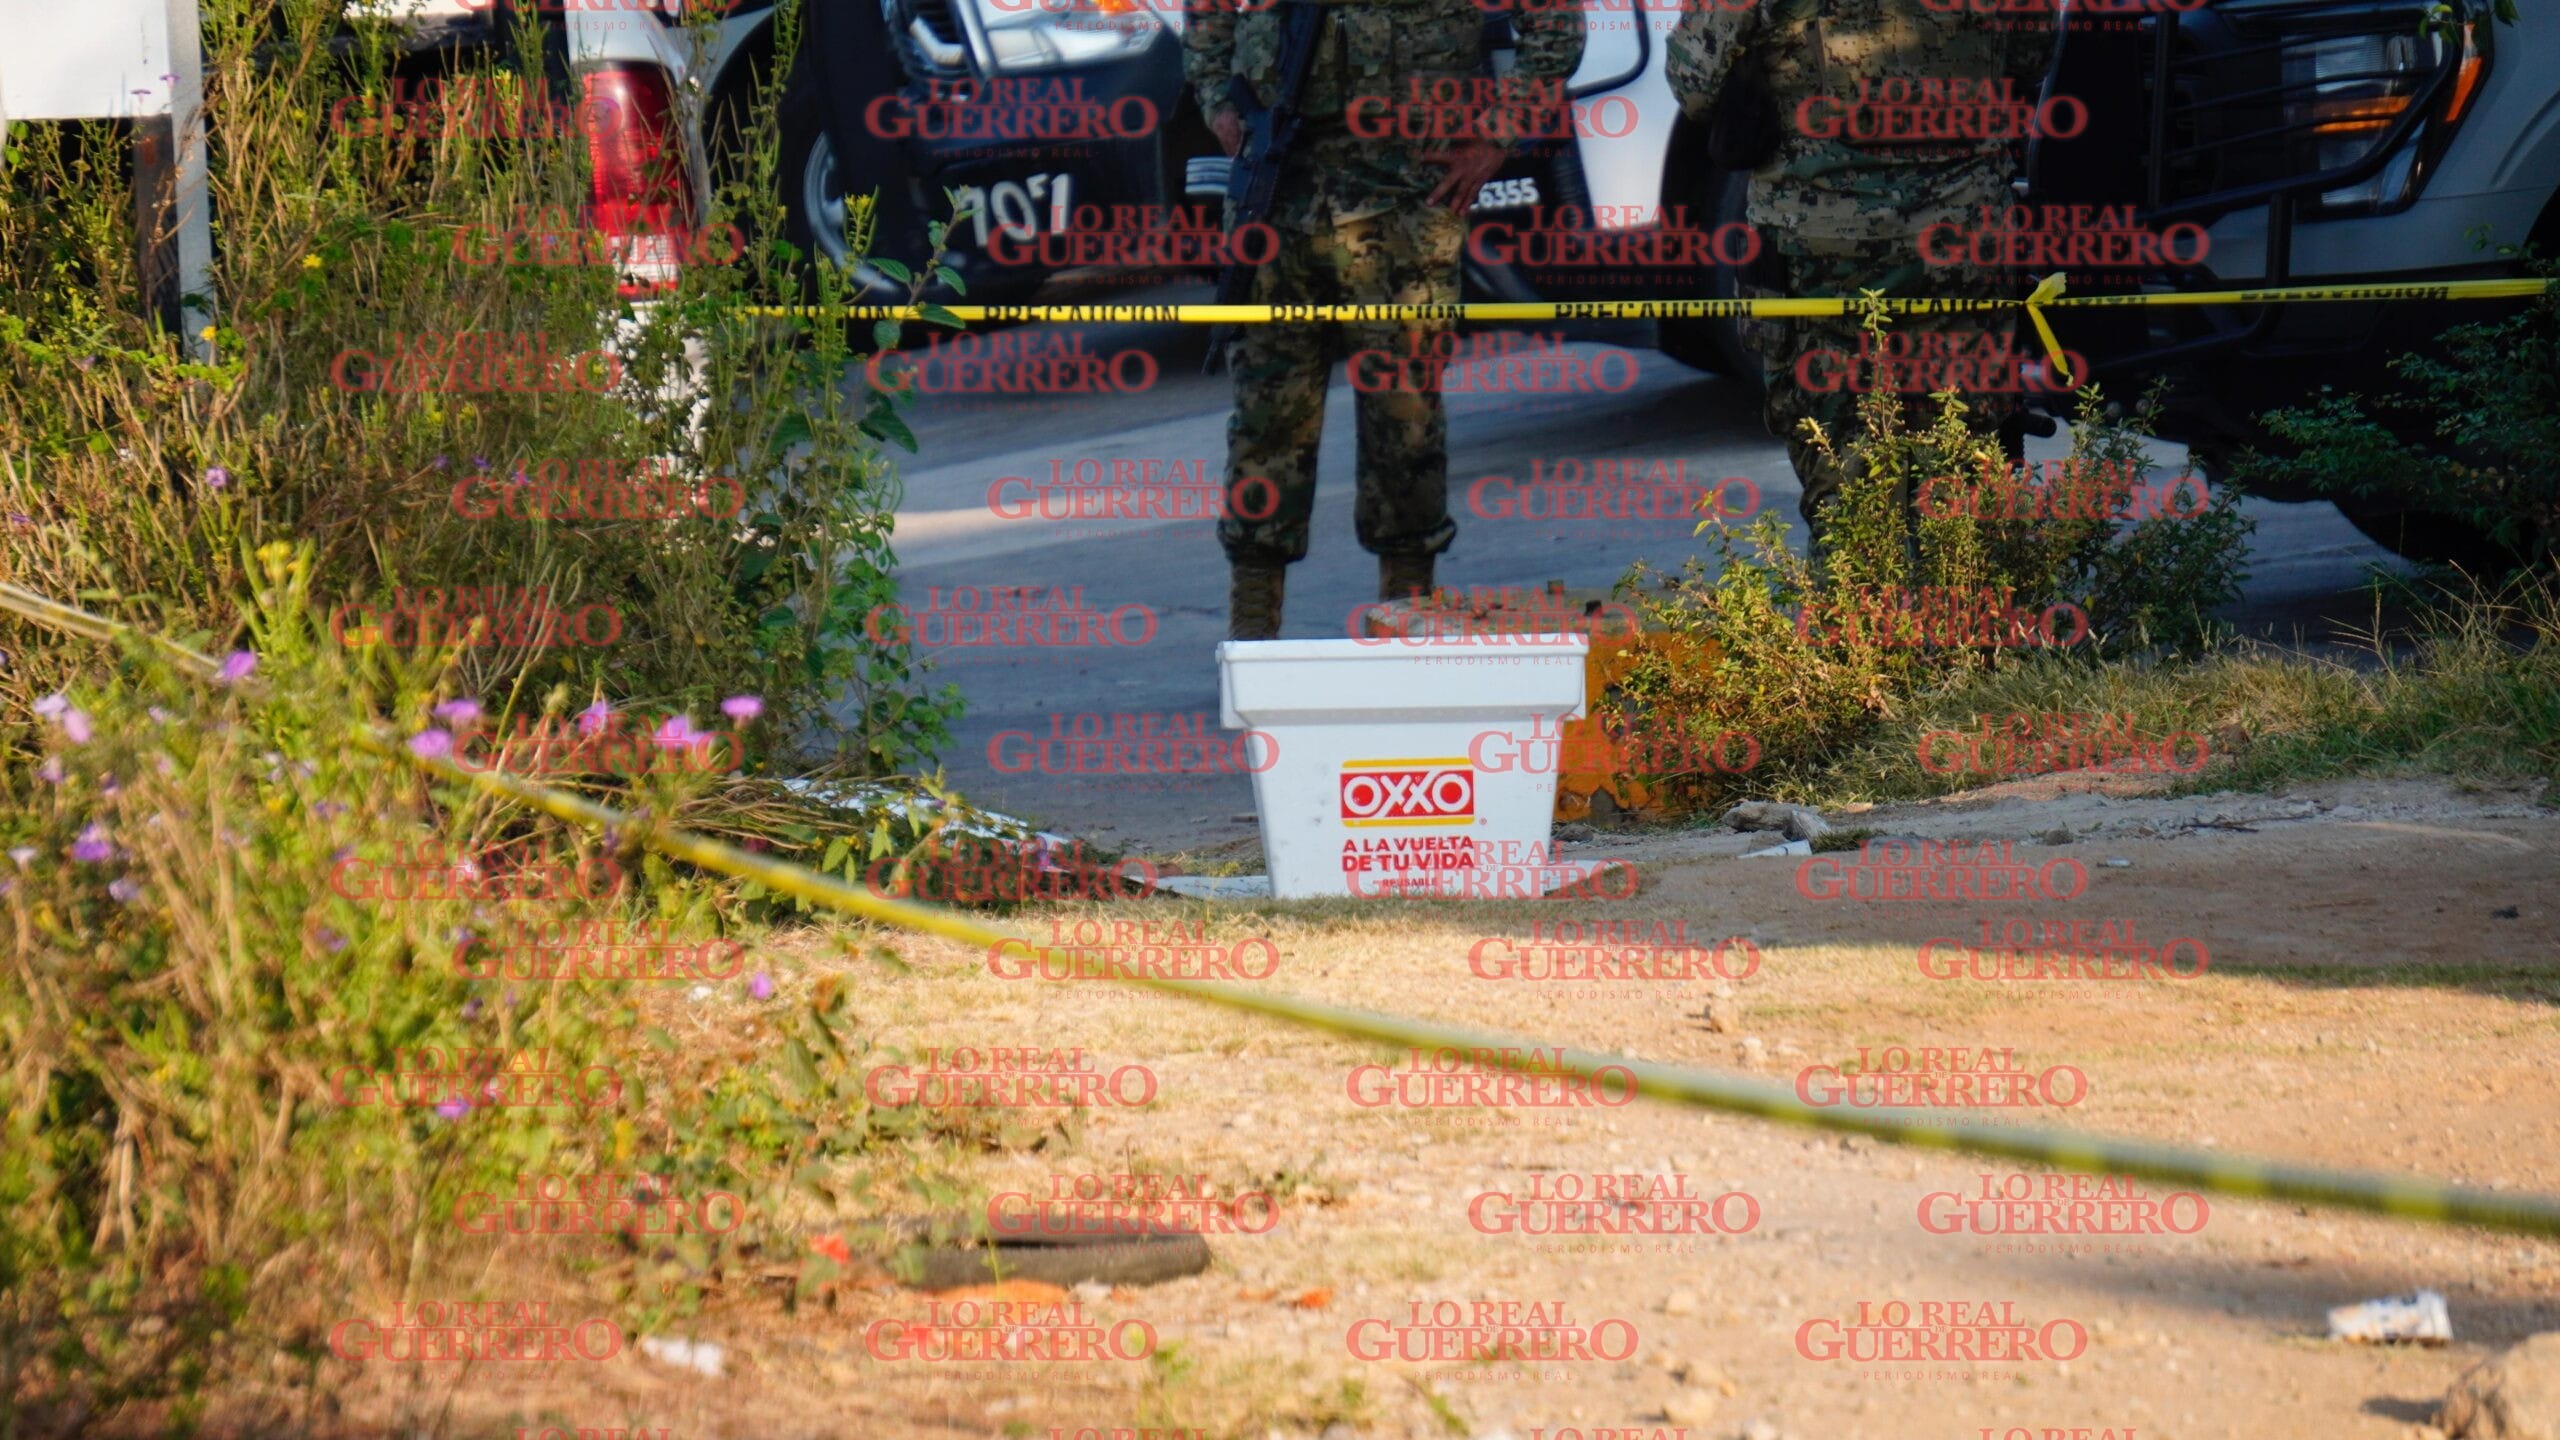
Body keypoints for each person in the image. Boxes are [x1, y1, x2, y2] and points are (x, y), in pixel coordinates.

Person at [1187, 0, 1585, 640]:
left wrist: (1494, 136)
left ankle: (1408, 626)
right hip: (1277, 187)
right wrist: (1215, 98)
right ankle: (1252, 634)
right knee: (1265, 422)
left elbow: (1556, 24)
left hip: (1404, 195)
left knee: (1406, 425)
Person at [1665, 0, 2057, 559]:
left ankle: (1861, 638)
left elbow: (1696, 84)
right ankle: (1979, 635)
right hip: (1960, 247)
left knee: (1847, 501)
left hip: (1823, 260)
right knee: (1966, 482)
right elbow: (2030, 58)